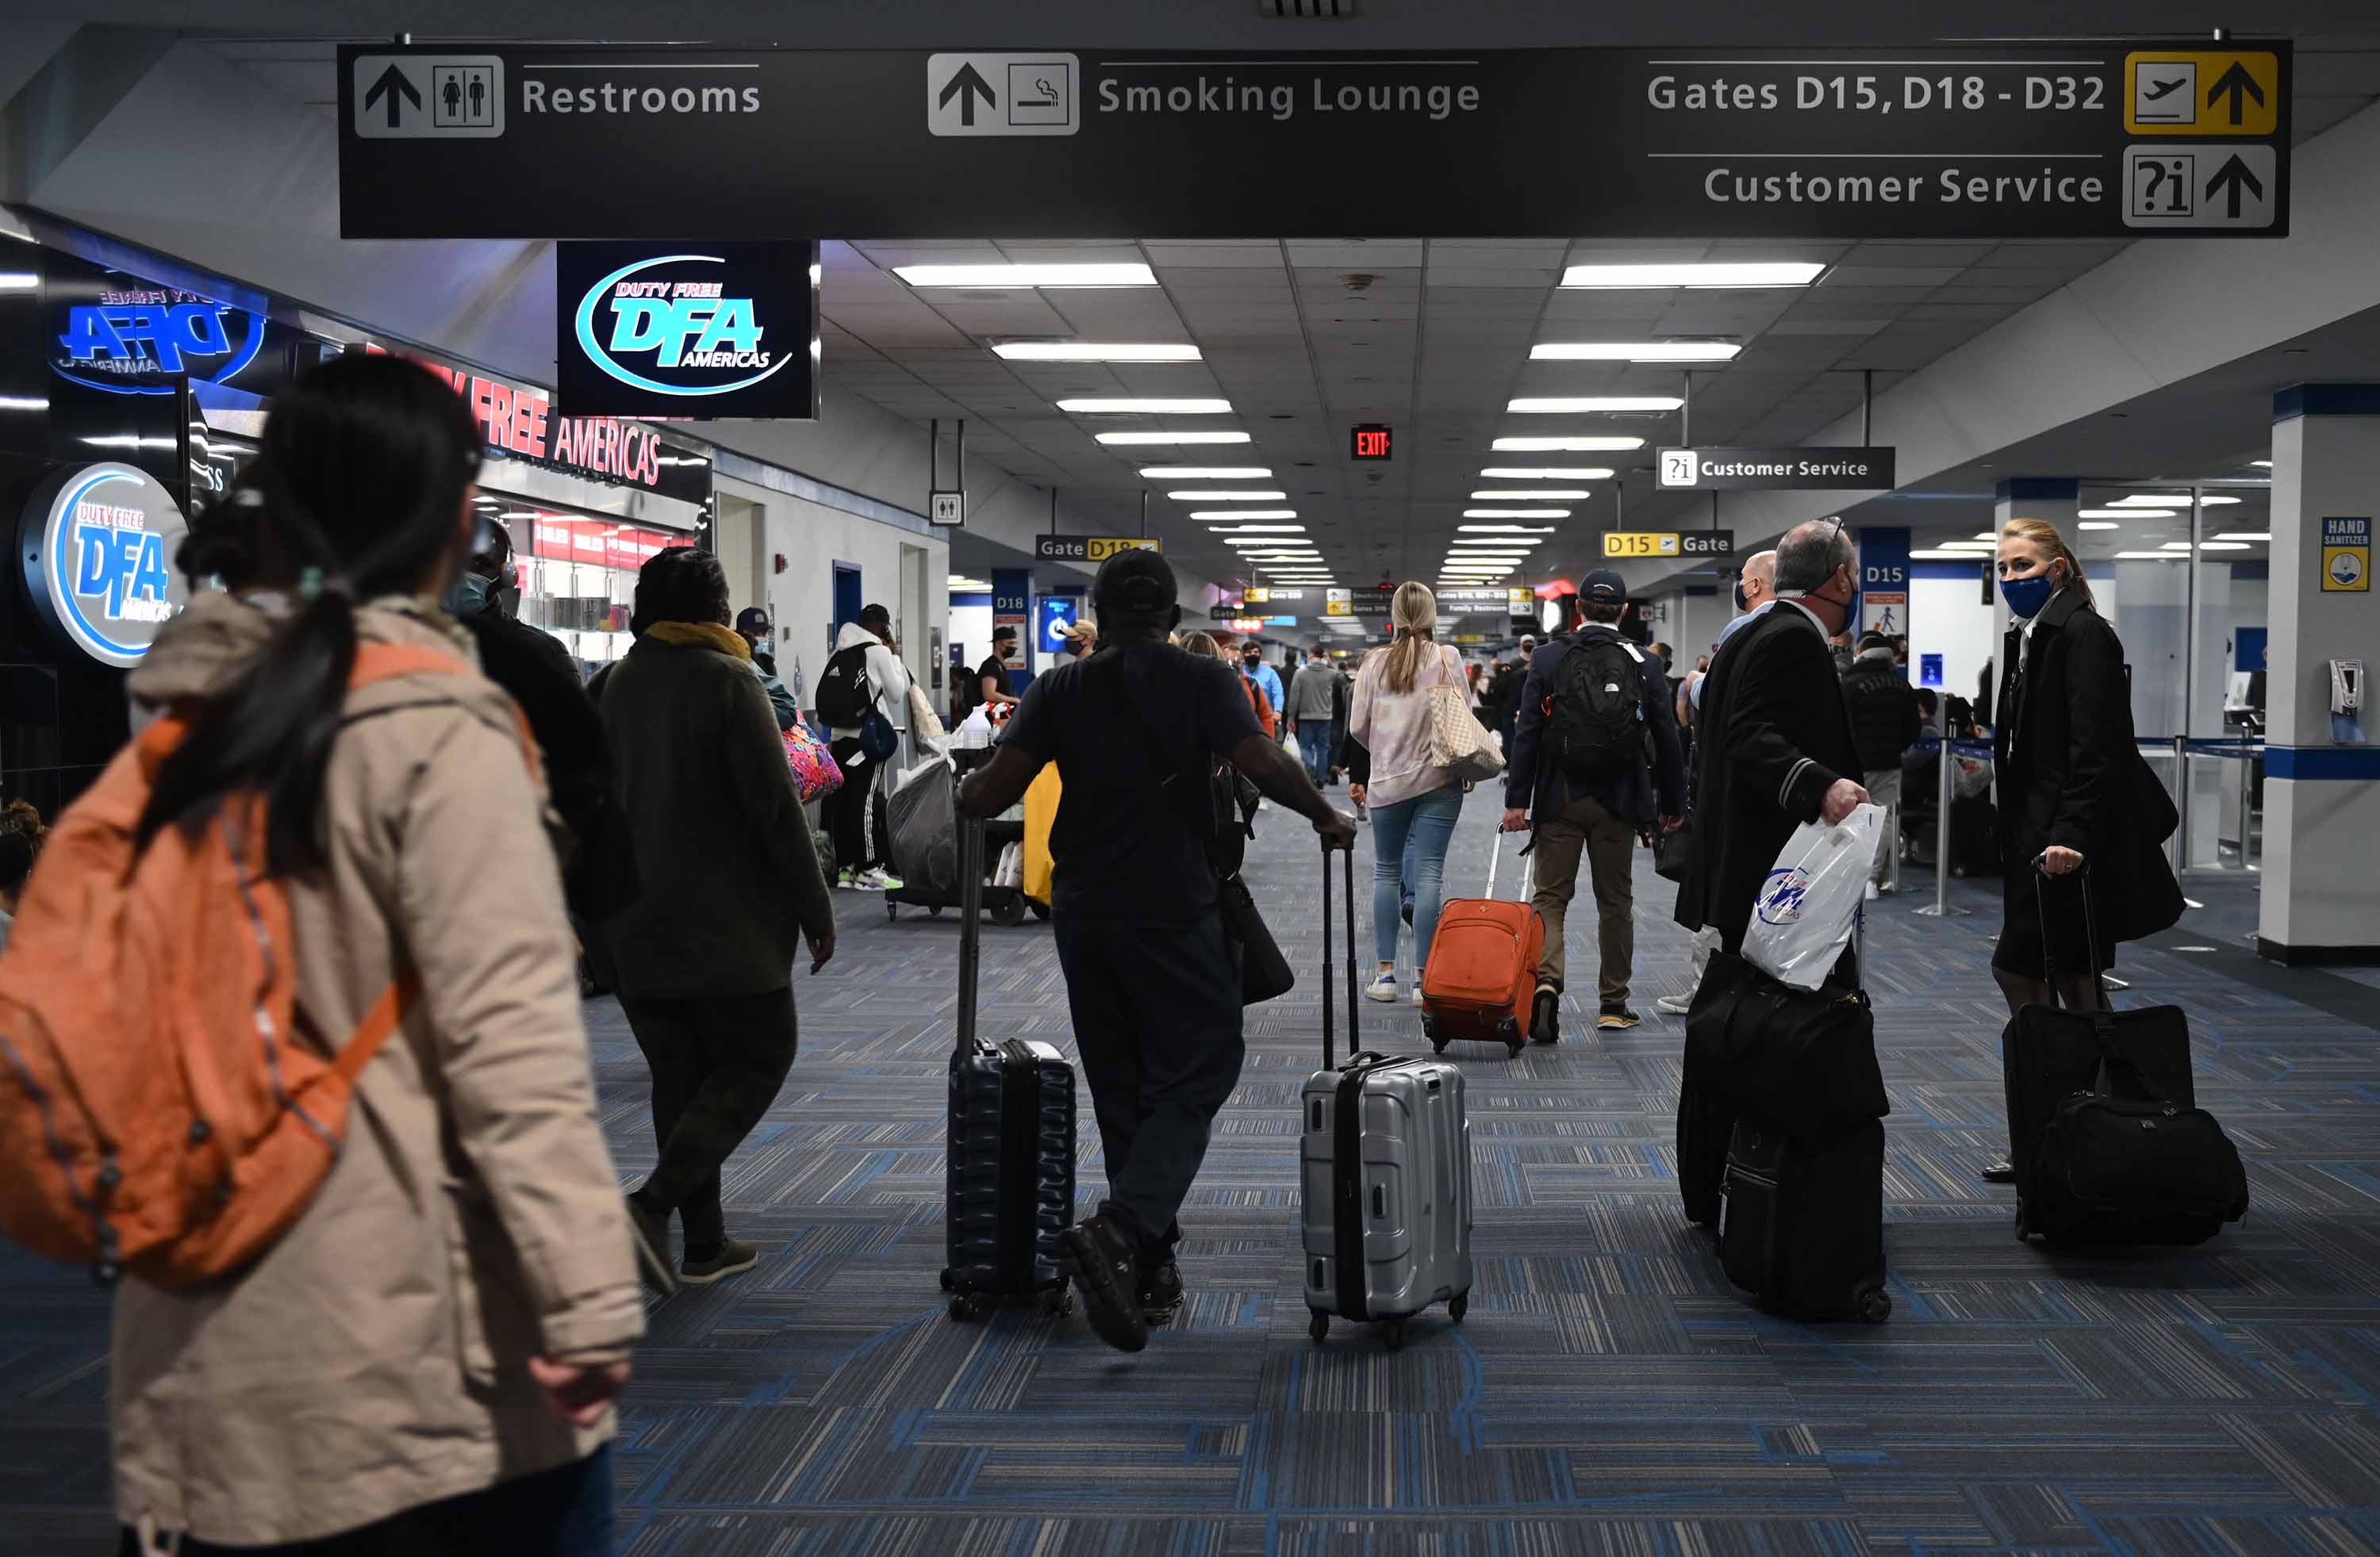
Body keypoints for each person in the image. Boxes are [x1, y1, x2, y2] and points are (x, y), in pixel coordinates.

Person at [113, 355, 641, 1553]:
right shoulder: (437, 734)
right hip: (409, 1308)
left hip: (205, 1284)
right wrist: (585, 1296)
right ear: (454, 514)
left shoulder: (179, 708)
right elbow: (511, 1055)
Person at [958, 550, 1356, 1354]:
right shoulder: (1202, 680)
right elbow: (1259, 758)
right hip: (1171, 904)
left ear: (1101, 612)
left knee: (1122, 1081)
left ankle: (1150, 1265)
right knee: (1200, 1067)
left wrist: (966, 794)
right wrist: (1324, 812)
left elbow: (990, 793)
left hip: (1085, 908)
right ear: (1171, 617)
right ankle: (1123, 1229)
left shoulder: (1059, 687)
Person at [602, 547, 838, 1289]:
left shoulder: (609, 683)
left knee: (680, 1075)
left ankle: (704, 1244)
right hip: (724, 928)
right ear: (713, 608)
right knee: (759, 1056)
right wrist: (815, 910)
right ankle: (649, 1205)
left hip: (630, 923)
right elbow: (775, 811)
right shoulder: (731, 679)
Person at [1979, 517, 2183, 1184]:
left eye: (2023, 566)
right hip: (2031, 843)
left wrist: (2069, 833)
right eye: (2003, 568)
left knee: (2039, 976)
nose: (2011, 579)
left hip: (2064, 847)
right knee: (2069, 979)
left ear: (2058, 569)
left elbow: (2097, 749)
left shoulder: (2086, 635)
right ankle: (2079, 1126)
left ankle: (2088, 1122)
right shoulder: (2030, 638)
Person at [1676, 520, 1868, 971]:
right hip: (1778, 866)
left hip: (1738, 859)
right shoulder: (1794, 638)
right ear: (1840, 578)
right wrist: (1822, 785)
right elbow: (1747, 734)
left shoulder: (1746, 634)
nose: (1856, 585)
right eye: (1855, 574)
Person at [1502, 571, 1687, 1039]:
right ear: (1624, 612)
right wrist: (1671, 802)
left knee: (1550, 898)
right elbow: (1666, 736)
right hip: (1619, 800)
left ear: (1578, 609)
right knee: (1616, 901)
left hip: (1559, 798)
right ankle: (1613, 1003)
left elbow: (1527, 734)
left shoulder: (1546, 658)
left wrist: (1516, 802)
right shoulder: (1644, 662)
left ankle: (1546, 984)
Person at [450, 518, 640, 928]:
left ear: (505, 574)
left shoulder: (537, 657)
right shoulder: (390, 652)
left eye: (480, 566)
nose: (465, 576)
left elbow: (582, 779)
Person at [1349, 581, 1476, 1006]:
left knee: (1386, 873)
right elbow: (1464, 717)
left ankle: (1385, 977)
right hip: (1440, 782)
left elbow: (1357, 727)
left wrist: (1385, 751)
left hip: (1387, 782)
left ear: (1396, 615)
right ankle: (1425, 982)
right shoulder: (1448, 657)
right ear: (1431, 615)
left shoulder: (1373, 662)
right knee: (1429, 876)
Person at [823, 603, 914, 890]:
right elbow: (898, 692)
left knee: (844, 803)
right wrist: (895, 657)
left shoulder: (841, 651)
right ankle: (869, 870)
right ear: (883, 627)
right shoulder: (879, 652)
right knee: (864, 804)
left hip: (839, 738)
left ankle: (846, 870)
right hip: (867, 740)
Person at [1842, 630, 1921, 899]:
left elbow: (1841, 725)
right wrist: (1894, 747)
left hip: (1854, 764)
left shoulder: (1849, 683)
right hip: (1889, 763)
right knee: (1882, 820)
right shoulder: (1902, 685)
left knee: (1849, 818)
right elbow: (1913, 728)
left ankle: (1848, 876)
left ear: (1861, 651)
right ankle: (1871, 880)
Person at [733, 605, 801, 731]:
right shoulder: (737, 661)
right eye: (755, 633)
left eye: (764, 633)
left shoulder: (767, 663)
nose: (761, 638)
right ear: (742, 633)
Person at [1286, 643, 1342, 786]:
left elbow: (1294, 697)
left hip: (1306, 717)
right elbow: (1339, 675)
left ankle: (1310, 766)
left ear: (1310, 655)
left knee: (1305, 747)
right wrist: (1328, 661)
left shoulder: (1301, 673)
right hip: (1325, 718)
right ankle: (1321, 780)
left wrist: (1291, 717)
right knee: (1323, 749)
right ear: (1323, 656)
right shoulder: (1330, 673)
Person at [975, 623, 1021, 713]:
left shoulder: (1000, 665)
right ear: (998, 644)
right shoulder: (991, 666)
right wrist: (1014, 700)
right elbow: (989, 694)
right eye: (1010, 643)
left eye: (1014, 643)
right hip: (994, 722)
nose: (1013, 647)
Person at [1240, 641, 1286, 723]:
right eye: (1249, 652)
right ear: (1243, 655)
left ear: (1260, 655)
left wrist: (1278, 711)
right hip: (1244, 718)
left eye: (1256, 652)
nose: (1253, 654)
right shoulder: (1239, 673)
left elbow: (1278, 693)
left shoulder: (1270, 673)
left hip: (1266, 718)